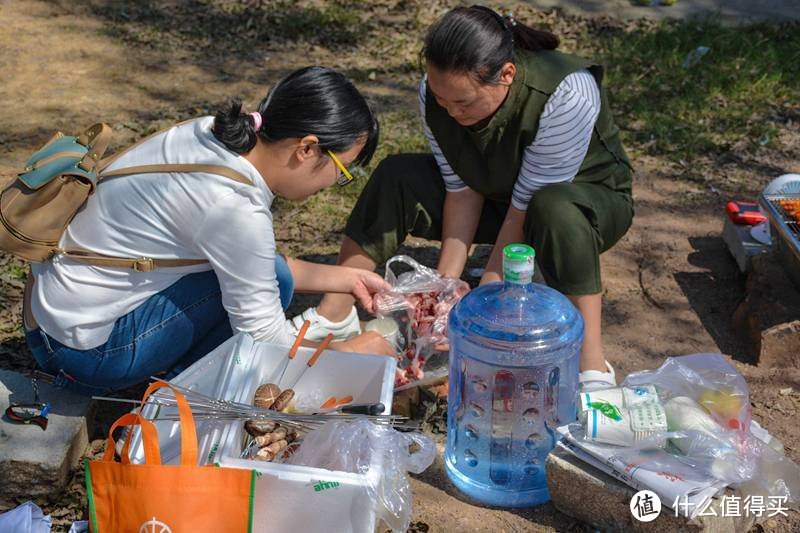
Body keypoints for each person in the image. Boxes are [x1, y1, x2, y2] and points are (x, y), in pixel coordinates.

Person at [291, 7, 634, 392]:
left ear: (506, 75)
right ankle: (335, 312)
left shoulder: (567, 91)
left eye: (464, 103)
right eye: (443, 101)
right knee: (397, 175)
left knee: (553, 207)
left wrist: (478, 303)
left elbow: (525, 208)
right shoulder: (435, 93)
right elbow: (462, 189)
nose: (452, 113)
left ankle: (593, 364)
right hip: (498, 193)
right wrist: (444, 288)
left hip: (583, 205)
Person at [23, 66, 394, 396]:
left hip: (51, 312)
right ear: (307, 148)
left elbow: (249, 262)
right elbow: (265, 343)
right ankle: (175, 405)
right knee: (268, 303)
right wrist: (350, 355)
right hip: (85, 355)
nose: (334, 184)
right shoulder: (233, 205)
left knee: (274, 279)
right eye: (342, 171)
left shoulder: (215, 135)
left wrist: (345, 279)